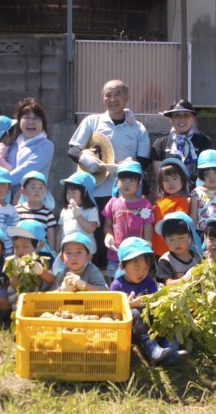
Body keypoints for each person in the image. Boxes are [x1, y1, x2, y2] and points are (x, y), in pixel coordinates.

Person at [68, 80, 151, 270]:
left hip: (126, 195)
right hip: (94, 192)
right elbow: (72, 149)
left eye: (117, 94)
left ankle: (123, 279)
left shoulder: (138, 127)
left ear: (126, 97)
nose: (112, 99)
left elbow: (144, 160)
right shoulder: (92, 121)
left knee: (122, 237)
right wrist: (85, 158)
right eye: (108, 95)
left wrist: (127, 166)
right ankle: (94, 279)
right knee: (95, 237)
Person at [110, 237, 188, 365]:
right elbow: (114, 311)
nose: (142, 272)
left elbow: (155, 299)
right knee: (135, 312)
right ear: (122, 266)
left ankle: (171, 351)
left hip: (153, 325)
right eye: (137, 269)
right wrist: (129, 305)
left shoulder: (149, 282)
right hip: (135, 331)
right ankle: (153, 350)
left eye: (145, 269)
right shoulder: (116, 286)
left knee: (168, 311)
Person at [102, 160, 154, 281]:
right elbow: (107, 225)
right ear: (117, 181)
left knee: (136, 281)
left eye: (131, 180)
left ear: (139, 183)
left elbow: (147, 227)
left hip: (137, 254)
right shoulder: (112, 202)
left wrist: (147, 242)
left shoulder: (145, 204)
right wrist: (108, 236)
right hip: (115, 253)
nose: (127, 184)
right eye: (123, 180)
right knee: (113, 281)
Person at [150, 99, 213, 184]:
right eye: (177, 115)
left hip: (199, 193)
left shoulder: (204, 141)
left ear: (192, 118)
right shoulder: (160, 144)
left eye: (186, 115)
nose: (182, 119)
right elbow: (159, 178)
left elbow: (209, 172)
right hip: (170, 194)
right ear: (170, 119)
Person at [6, 98, 55, 198]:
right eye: (26, 118)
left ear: (43, 123)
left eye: (36, 119)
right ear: (19, 121)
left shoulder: (46, 146)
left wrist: (0, 181)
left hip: (32, 203)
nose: (31, 122)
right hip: (7, 200)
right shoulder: (13, 144)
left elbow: (26, 170)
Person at [151, 158, 191, 257]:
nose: (171, 183)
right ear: (161, 183)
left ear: (182, 180)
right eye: (166, 180)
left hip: (172, 248)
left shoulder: (182, 201)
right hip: (156, 246)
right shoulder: (159, 201)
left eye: (175, 178)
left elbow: (179, 220)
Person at [56, 171, 100, 255]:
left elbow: (90, 229)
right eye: (68, 193)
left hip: (86, 251)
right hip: (67, 251)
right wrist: (57, 249)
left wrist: (77, 214)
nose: (70, 195)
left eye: (74, 192)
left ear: (85, 193)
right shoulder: (65, 210)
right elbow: (60, 232)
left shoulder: (91, 209)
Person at [154, 212, 203, 286]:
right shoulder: (166, 260)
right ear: (165, 241)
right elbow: (168, 283)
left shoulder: (197, 257)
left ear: (190, 237)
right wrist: (186, 279)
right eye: (171, 240)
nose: (177, 243)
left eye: (181, 238)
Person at [15, 171, 57, 251]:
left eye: (41, 188)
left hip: (41, 252)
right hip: (21, 251)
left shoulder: (47, 213)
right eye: (33, 187)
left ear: (45, 191)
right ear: (23, 190)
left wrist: (52, 251)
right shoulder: (16, 210)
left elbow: (50, 233)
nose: (37, 191)